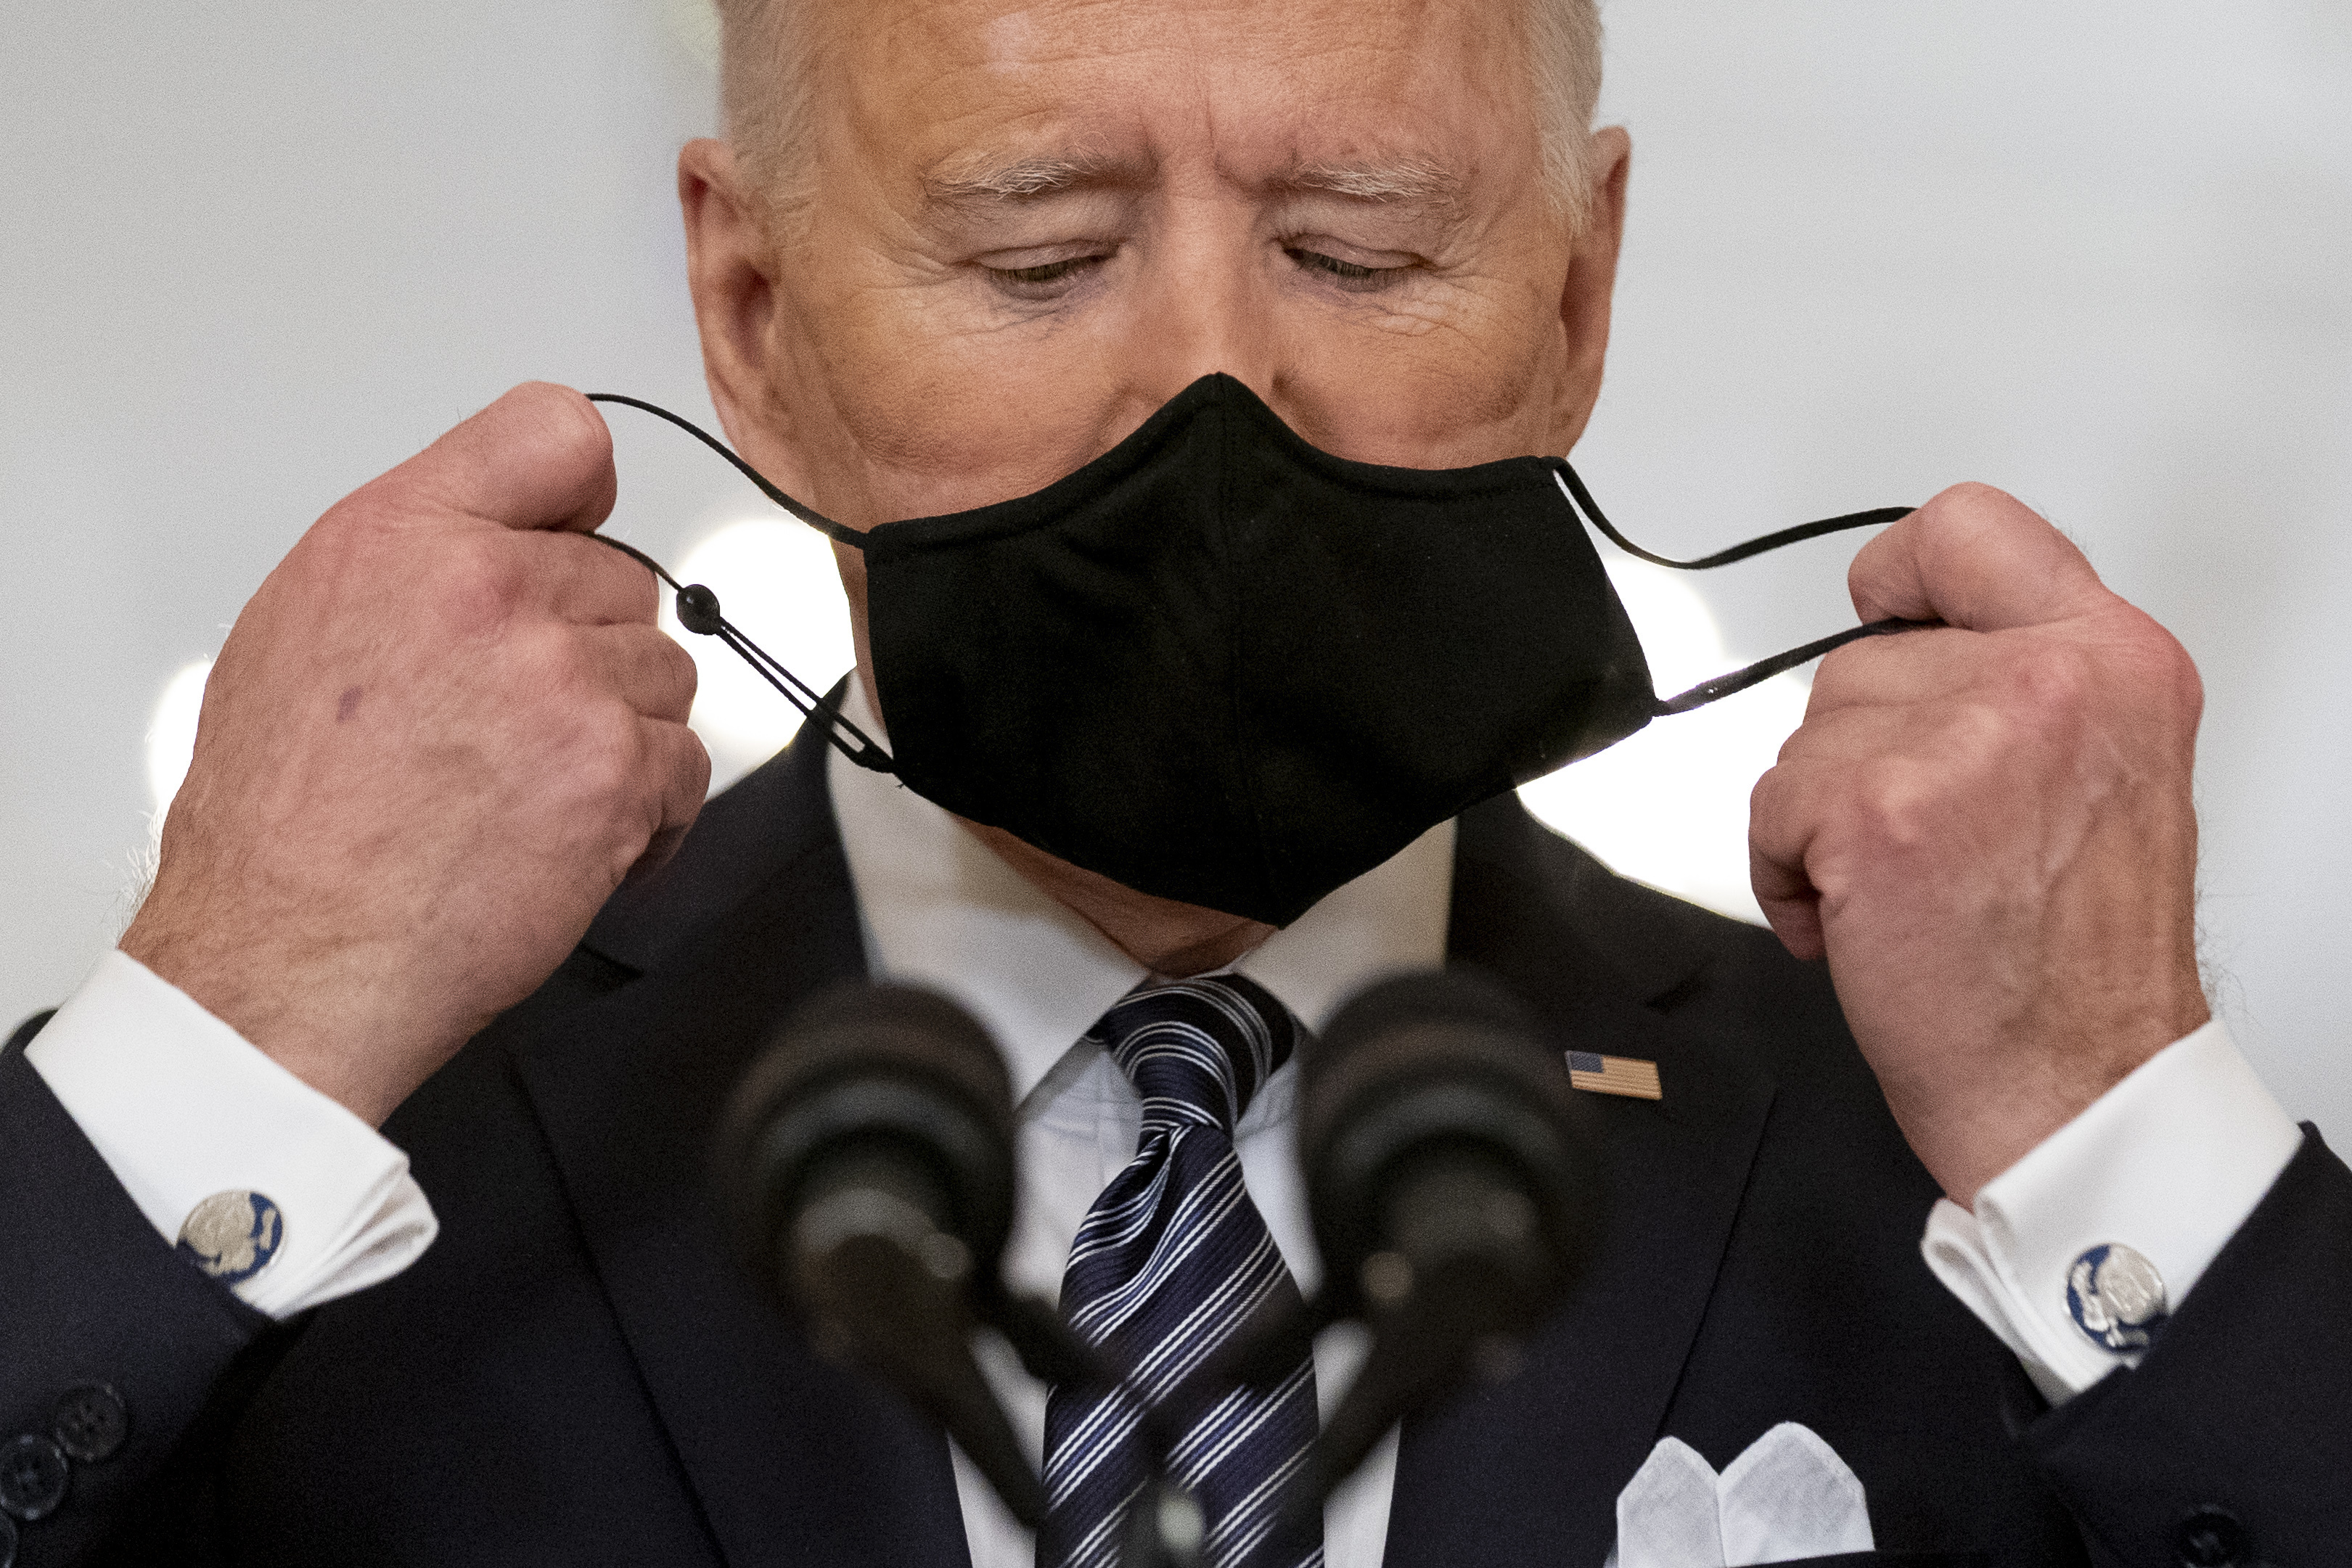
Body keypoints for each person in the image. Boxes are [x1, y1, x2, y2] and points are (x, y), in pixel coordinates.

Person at [1, 0, 2343, 1563]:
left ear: (1574, 296)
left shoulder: (1922, 1159)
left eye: (1357, 249)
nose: (1210, 391)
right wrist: (235, 1011)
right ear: (751, 316)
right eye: (1038, 257)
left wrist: (2114, 1111)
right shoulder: (351, 1148)